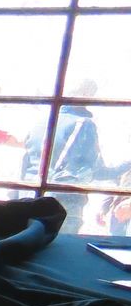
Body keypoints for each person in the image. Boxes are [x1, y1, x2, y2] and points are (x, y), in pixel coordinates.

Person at [21, 81, 131, 233]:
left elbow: (25, 162)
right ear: (86, 95)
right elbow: (90, 170)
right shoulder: (83, 124)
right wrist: (125, 166)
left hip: (28, 195)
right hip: (62, 202)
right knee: (60, 244)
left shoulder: (42, 122)